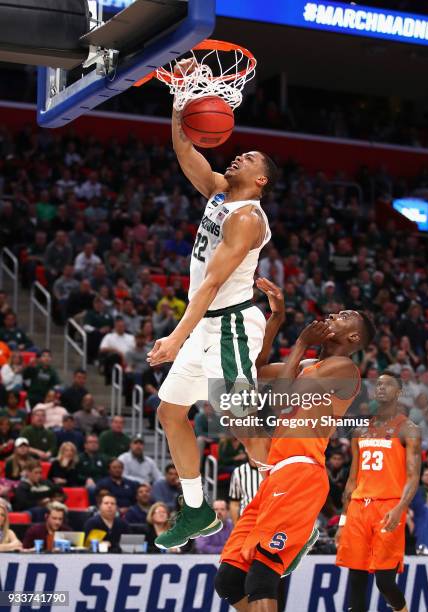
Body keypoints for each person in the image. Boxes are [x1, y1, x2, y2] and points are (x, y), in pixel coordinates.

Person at [146, 59, 277, 548]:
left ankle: (287, 516)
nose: (238, 157)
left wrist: (175, 336)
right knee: (169, 412)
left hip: (230, 327)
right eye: (239, 153)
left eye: (250, 159)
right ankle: (198, 510)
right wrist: (181, 95)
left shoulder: (247, 218)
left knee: (242, 426)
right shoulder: (221, 192)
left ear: (262, 180)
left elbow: (210, 286)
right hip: (205, 326)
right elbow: (185, 148)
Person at [215, 310, 375, 610]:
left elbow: (280, 397)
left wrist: (301, 341)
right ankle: (300, 534)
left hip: (302, 470)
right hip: (276, 473)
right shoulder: (307, 365)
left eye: (343, 316)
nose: (332, 315)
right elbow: (257, 369)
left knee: (262, 576)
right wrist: (276, 320)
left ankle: (297, 535)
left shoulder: (344, 368)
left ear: (353, 338)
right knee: (228, 581)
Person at [335, 372, 421, 612]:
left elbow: (414, 477)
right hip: (359, 507)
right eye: (378, 384)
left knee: (384, 580)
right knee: (357, 577)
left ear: (399, 392)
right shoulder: (360, 431)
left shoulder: (409, 429)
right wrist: (343, 520)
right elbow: (352, 479)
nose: (381, 387)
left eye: (388, 384)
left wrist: (400, 508)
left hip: (389, 506)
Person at [228, 459, 263, 525]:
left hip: (267, 519)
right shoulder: (238, 472)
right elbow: (234, 503)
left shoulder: (272, 469)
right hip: (246, 521)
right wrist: (236, 525)